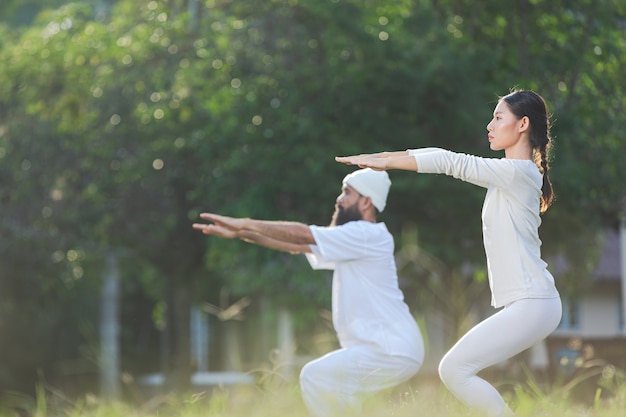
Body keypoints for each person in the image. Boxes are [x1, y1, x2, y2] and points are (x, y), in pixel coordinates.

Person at [335, 89, 562, 417]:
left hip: (535, 302)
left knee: (454, 369)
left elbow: (449, 161)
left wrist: (385, 160)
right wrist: (386, 157)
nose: (490, 124)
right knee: (455, 369)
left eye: (499, 117)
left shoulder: (519, 173)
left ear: (523, 124)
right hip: (531, 303)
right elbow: (445, 158)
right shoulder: (509, 175)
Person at [192, 168, 424, 417]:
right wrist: (242, 233)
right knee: (341, 393)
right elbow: (300, 245)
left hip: (391, 347)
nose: (340, 199)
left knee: (316, 377)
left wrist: (245, 222)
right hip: (390, 348)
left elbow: (302, 234)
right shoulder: (356, 238)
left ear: (366, 201)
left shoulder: (367, 234)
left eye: (347, 192)